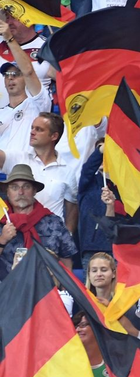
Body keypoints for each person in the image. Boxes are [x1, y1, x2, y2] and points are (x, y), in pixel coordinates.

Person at [0, 113, 79, 228]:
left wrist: (68, 236)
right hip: (19, 234)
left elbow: (72, 209)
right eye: (32, 128)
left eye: (39, 129)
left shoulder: (67, 170)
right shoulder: (18, 157)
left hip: (51, 236)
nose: (32, 132)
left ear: (54, 136)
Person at [0, 164, 76, 280]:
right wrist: (3, 240)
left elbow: (66, 261)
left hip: (48, 293)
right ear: (7, 192)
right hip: (6, 293)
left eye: (26, 187)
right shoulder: (1, 222)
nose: (21, 192)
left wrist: (65, 293)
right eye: (14, 187)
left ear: (34, 191)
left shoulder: (54, 223)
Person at [0, 21, 51, 156]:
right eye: (7, 75)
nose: (11, 78)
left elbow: (29, 71)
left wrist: (9, 38)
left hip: (26, 172)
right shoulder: (2, 112)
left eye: (16, 74)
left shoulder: (39, 105)